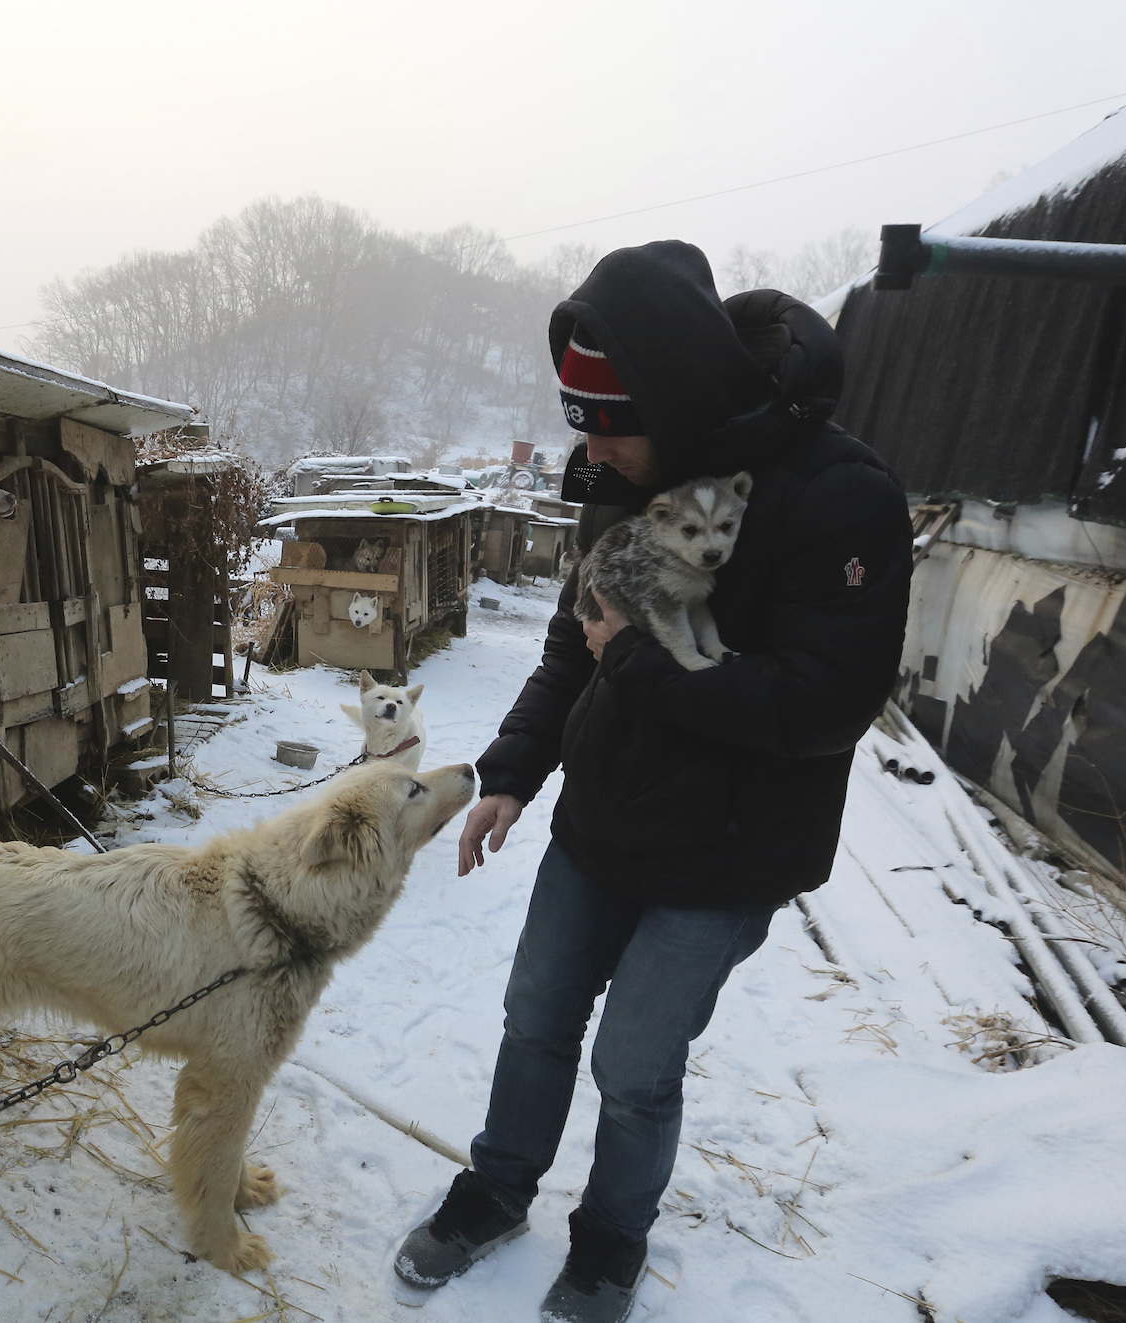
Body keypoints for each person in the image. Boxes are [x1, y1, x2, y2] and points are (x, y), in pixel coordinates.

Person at [392, 241, 911, 1323]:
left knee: (634, 1064)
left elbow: (822, 704)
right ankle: (497, 1188)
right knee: (535, 1012)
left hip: (728, 851)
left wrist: (634, 654)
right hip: (602, 824)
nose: (594, 451)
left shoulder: (837, 494)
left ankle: (610, 1241)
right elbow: (571, 643)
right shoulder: (616, 479)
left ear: (676, 399)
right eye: (580, 425)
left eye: (611, 427)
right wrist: (513, 770)